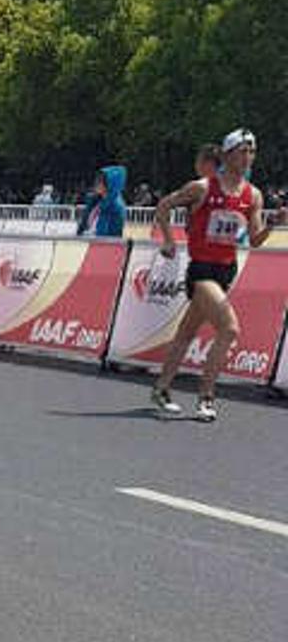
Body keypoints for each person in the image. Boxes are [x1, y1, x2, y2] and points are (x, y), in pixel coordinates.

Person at [148, 128, 271, 422]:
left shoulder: (253, 195)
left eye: (252, 152)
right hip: (201, 269)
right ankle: (206, 397)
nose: (248, 157)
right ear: (227, 155)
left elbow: (254, 240)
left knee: (186, 333)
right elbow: (163, 206)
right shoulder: (202, 188)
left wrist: (273, 225)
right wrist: (168, 240)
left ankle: (161, 388)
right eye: (243, 151)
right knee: (229, 329)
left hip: (226, 270)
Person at [77, 166, 126, 239]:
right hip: (95, 241)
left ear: (109, 184)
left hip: (106, 244)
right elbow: (85, 222)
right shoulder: (97, 200)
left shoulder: (115, 205)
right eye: (97, 180)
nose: (96, 184)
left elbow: (112, 232)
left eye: (100, 181)